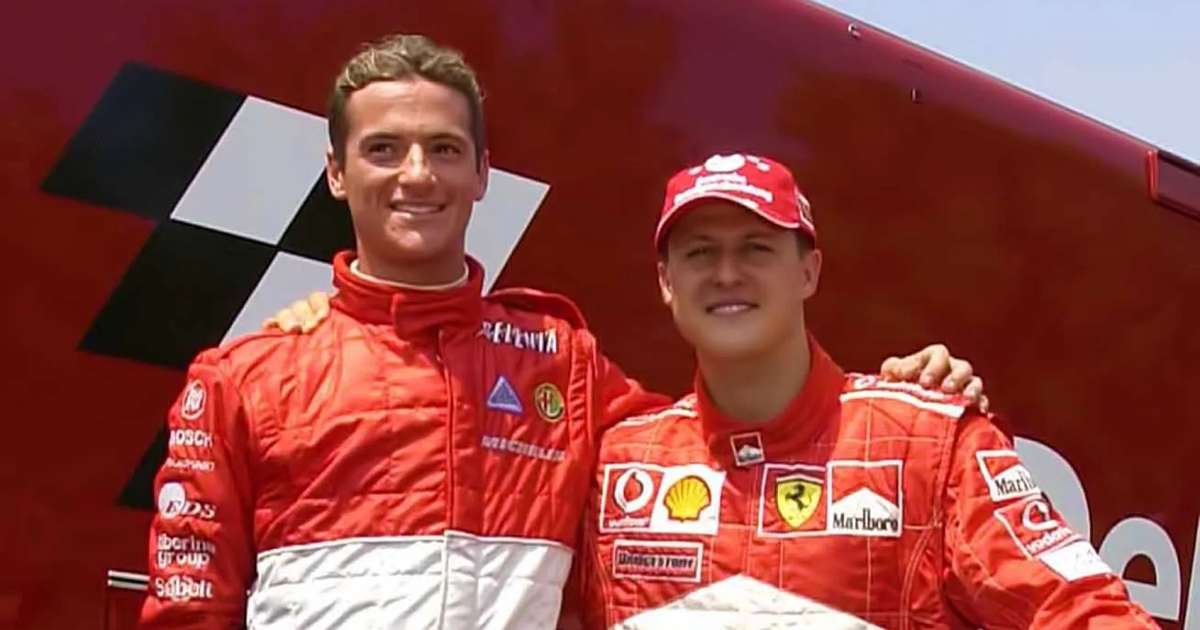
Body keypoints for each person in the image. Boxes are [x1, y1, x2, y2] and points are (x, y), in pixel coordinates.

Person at [141, 35, 983, 628]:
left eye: (444, 149)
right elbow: (187, 613)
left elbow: (722, 434)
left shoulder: (562, 362)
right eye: (384, 149)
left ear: (482, 173)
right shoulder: (244, 376)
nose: (416, 175)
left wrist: (894, 399)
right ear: (335, 172)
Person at [571, 153, 1156, 628]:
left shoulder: (927, 443)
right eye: (701, 252)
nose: (727, 273)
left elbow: (1081, 609)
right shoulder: (618, 464)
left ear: (808, 272)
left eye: (756, 247)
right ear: (666, 282)